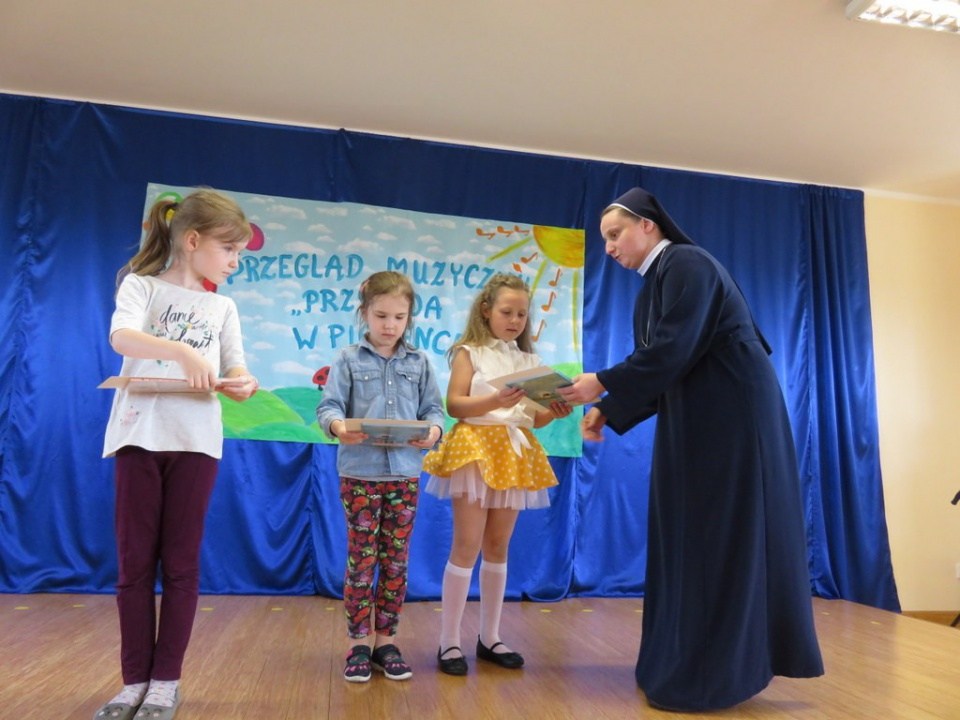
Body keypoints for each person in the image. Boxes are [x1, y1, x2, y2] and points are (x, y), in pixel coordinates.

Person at [558, 187, 824, 712]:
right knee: (691, 535)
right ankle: (679, 663)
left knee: (717, 536)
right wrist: (609, 408)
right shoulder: (655, 285)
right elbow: (667, 364)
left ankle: (710, 674)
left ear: (648, 225)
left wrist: (603, 384)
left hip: (732, 420)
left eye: (615, 234)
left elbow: (673, 350)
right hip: (701, 418)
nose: (608, 247)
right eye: (605, 239)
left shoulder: (687, 263)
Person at [97, 189, 259, 720]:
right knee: (134, 566)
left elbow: (235, 366)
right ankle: (133, 684)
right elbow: (122, 338)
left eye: (239, 252)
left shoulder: (223, 306)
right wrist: (183, 350)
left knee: (182, 565)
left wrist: (242, 383)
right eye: (229, 249)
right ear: (192, 241)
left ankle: (165, 683)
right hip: (138, 437)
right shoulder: (141, 286)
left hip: (196, 443)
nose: (235, 261)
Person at [422, 272, 573, 676]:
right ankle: (449, 641)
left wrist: (553, 412)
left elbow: (533, 419)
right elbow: (455, 405)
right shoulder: (469, 352)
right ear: (486, 310)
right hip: (475, 447)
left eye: (522, 314)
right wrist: (495, 399)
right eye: (507, 312)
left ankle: (490, 636)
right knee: (466, 544)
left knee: (498, 545)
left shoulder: (530, 363)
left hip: (512, 450)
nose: (515, 320)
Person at [316, 270, 445, 683]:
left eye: (399, 317)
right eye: (381, 316)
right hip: (360, 474)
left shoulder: (419, 362)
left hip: (404, 476)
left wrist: (434, 432)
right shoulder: (348, 359)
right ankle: (358, 643)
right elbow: (328, 407)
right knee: (362, 560)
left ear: (410, 318)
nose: (390, 325)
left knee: (395, 561)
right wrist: (338, 427)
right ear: (364, 313)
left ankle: (386, 642)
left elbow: (434, 411)